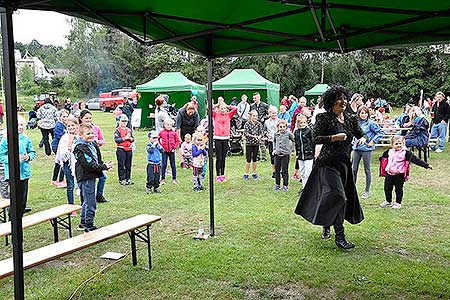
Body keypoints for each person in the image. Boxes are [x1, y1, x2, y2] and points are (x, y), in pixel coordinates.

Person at [295, 85, 366, 250]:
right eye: (339, 99)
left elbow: (360, 133)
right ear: (331, 102)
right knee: (339, 197)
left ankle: (327, 222)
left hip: (343, 165)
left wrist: (362, 139)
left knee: (337, 197)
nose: (343, 102)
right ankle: (340, 237)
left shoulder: (350, 118)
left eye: (344, 99)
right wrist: (334, 138)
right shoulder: (324, 118)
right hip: (327, 164)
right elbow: (315, 138)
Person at [74, 123, 113, 232]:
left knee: (87, 200)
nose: (91, 135)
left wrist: (104, 166)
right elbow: (89, 165)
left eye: (92, 133)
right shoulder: (80, 148)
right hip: (85, 177)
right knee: (90, 201)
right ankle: (89, 225)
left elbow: (97, 160)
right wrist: (103, 167)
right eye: (88, 134)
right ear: (81, 135)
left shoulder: (93, 144)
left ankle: (83, 223)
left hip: (91, 175)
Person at [379, 136, 432, 209]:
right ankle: (388, 201)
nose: (398, 145)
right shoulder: (389, 152)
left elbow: (416, 160)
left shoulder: (406, 153)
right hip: (389, 173)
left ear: (403, 144)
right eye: (396, 143)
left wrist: (426, 165)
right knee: (387, 188)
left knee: (398, 189)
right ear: (392, 145)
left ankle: (398, 203)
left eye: (400, 143)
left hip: (399, 175)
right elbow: (383, 158)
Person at [0, 116, 36, 215]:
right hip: (12, 173)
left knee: (23, 198)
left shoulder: (26, 138)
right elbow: (1, 155)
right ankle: (12, 219)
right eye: (17, 125)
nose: (20, 127)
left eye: (21, 125)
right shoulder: (6, 139)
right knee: (15, 197)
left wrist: (28, 157)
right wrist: (12, 159)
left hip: (24, 172)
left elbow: (32, 152)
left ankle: (20, 217)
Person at [352, 106, 384, 200]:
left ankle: (367, 191)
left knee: (367, 170)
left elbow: (380, 133)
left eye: (365, 113)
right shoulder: (356, 123)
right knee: (353, 170)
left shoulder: (371, 123)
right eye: (362, 113)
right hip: (356, 149)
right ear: (358, 114)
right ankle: (352, 190)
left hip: (367, 149)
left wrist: (373, 141)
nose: (364, 115)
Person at [79, 110, 109, 203]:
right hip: (86, 161)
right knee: (86, 181)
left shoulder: (96, 128)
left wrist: (96, 142)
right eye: (86, 118)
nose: (88, 120)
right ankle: (85, 200)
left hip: (96, 157)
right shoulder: (80, 130)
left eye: (90, 118)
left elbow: (102, 140)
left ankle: (99, 196)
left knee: (103, 177)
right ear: (81, 119)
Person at [56, 117, 79, 215]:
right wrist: (69, 145)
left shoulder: (80, 136)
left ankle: (84, 204)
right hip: (68, 164)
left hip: (79, 164)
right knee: (70, 185)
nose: (71, 127)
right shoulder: (64, 138)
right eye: (69, 126)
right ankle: (71, 207)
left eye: (73, 125)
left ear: (77, 126)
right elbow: (63, 156)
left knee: (81, 184)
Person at [213, 103, 237, 182]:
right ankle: (218, 175)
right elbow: (209, 109)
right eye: (221, 108)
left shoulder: (228, 115)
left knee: (223, 157)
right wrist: (217, 105)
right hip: (218, 138)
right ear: (219, 109)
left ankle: (222, 174)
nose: (223, 110)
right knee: (218, 157)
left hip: (226, 138)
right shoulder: (216, 115)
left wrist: (227, 106)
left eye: (224, 109)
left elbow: (235, 109)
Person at [273, 120, 294, 191]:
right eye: (280, 127)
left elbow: (294, 140)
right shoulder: (276, 134)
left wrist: (291, 150)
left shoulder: (288, 134)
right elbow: (274, 142)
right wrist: (274, 149)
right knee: (277, 170)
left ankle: (285, 185)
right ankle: (277, 184)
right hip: (277, 154)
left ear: (286, 127)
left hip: (285, 155)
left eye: (284, 127)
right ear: (278, 127)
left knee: (284, 170)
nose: (282, 128)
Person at [293, 115, 314, 187]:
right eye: (301, 122)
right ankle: (304, 187)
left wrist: (313, 152)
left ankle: (309, 188)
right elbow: (296, 143)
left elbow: (313, 142)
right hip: (300, 155)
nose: (302, 124)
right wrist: (296, 153)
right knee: (302, 173)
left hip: (309, 154)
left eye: (304, 122)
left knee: (308, 172)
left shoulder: (309, 131)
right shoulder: (296, 132)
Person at [159, 118, 181, 185]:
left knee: (173, 165)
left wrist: (174, 147)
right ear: (164, 125)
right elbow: (158, 139)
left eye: (170, 125)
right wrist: (161, 146)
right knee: (164, 165)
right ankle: (162, 179)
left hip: (172, 151)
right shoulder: (161, 133)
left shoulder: (174, 133)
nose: (169, 126)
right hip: (164, 151)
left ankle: (174, 179)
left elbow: (178, 141)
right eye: (167, 125)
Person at [114, 114, 134, 185]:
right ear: (119, 122)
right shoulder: (117, 130)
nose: (124, 122)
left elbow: (132, 139)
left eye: (126, 121)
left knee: (128, 165)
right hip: (121, 149)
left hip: (129, 149)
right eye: (123, 121)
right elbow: (117, 140)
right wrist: (125, 138)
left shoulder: (129, 130)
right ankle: (122, 179)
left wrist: (130, 138)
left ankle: (128, 178)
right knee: (121, 165)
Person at [51, 109, 69, 187]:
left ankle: (55, 180)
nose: (65, 118)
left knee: (58, 163)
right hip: (57, 146)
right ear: (60, 117)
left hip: (62, 146)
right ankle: (59, 181)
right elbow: (60, 136)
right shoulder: (58, 125)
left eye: (66, 116)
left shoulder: (66, 125)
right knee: (62, 162)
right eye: (63, 116)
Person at [243, 110, 263, 180]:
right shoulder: (247, 124)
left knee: (255, 159)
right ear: (250, 116)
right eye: (254, 116)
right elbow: (246, 134)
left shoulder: (259, 124)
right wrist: (253, 136)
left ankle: (254, 173)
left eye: (256, 116)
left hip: (256, 143)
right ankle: (246, 173)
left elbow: (261, 132)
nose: (255, 117)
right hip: (249, 144)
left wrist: (260, 136)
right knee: (248, 159)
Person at [265, 106, 279, 177]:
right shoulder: (266, 122)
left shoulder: (279, 121)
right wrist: (267, 134)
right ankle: (274, 171)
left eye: (275, 113)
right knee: (272, 156)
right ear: (269, 113)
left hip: (279, 141)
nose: (274, 114)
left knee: (279, 156)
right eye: (273, 113)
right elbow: (264, 131)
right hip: (270, 141)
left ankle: (279, 171)